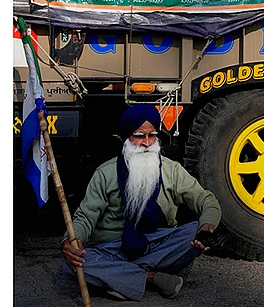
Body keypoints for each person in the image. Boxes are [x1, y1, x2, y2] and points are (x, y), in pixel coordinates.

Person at [62, 104, 221, 301]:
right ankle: (150, 277)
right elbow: (86, 217)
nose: (147, 143)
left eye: (152, 135)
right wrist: (72, 241)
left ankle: (119, 278)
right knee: (70, 262)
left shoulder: (172, 170)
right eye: (139, 136)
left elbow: (206, 200)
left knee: (192, 233)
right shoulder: (105, 173)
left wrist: (206, 226)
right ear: (126, 138)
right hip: (115, 248)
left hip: (158, 244)